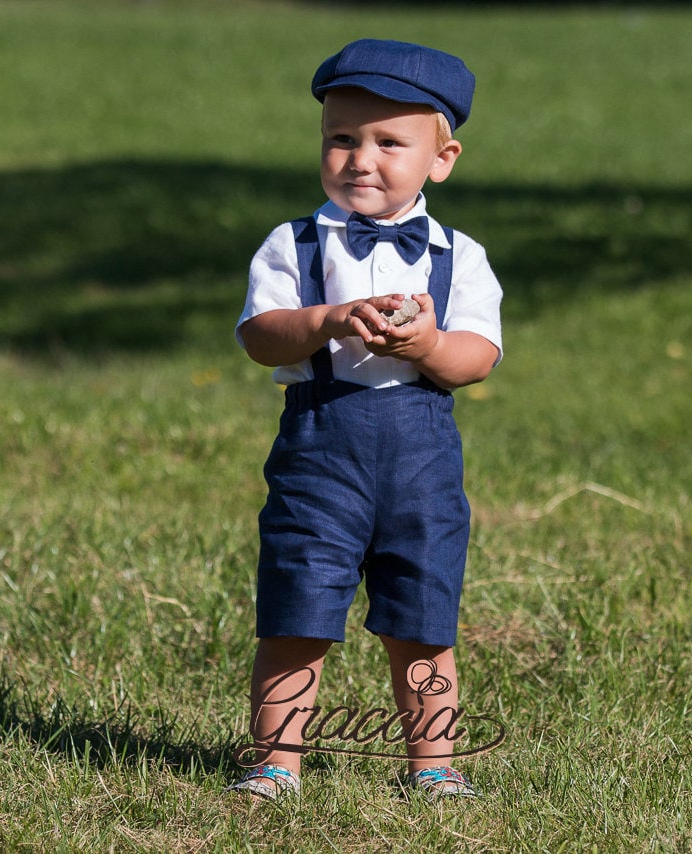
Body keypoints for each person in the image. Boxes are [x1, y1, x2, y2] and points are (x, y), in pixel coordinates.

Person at [228, 38, 503, 801]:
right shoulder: (295, 244)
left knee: (422, 612)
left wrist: (430, 342)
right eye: (342, 138)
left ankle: (435, 767)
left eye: (389, 142)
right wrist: (326, 319)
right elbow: (259, 335)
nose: (360, 159)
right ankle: (276, 764)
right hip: (321, 445)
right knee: (297, 605)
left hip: (419, 457)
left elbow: (478, 357)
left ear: (441, 159)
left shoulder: (460, 256)